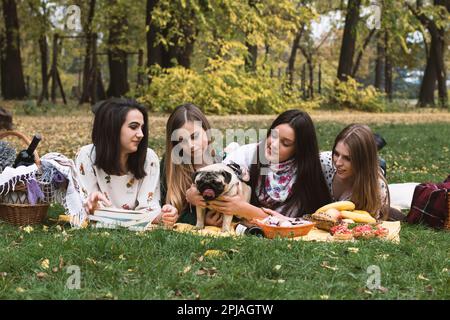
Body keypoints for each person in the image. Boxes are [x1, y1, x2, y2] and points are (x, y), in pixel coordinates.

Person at [203, 109, 332, 221]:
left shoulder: (305, 174)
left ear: (299, 150)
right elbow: (215, 179)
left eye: (285, 143)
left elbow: (288, 221)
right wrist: (195, 195)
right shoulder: (249, 154)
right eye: (273, 135)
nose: (273, 144)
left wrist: (244, 209)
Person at [75, 98, 178, 227]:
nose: (141, 134)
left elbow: (149, 208)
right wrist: (94, 208)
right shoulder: (86, 156)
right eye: (133, 127)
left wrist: (164, 216)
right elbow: (89, 209)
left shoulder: (149, 158)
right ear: (111, 128)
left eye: (142, 128)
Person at [160, 103, 223, 226]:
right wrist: (200, 219)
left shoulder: (221, 162)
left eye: (195, 136)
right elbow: (168, 212)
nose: (190, 145)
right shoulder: (172, 165)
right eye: (181, 140)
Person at [320, 124, 390, 220]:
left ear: (363, 161)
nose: (338, 162)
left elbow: (371, 223)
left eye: (348, 158)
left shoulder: (376, 187)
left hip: (368, 173)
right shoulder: (322, 163)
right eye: (336, 153)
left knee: (380, 165)